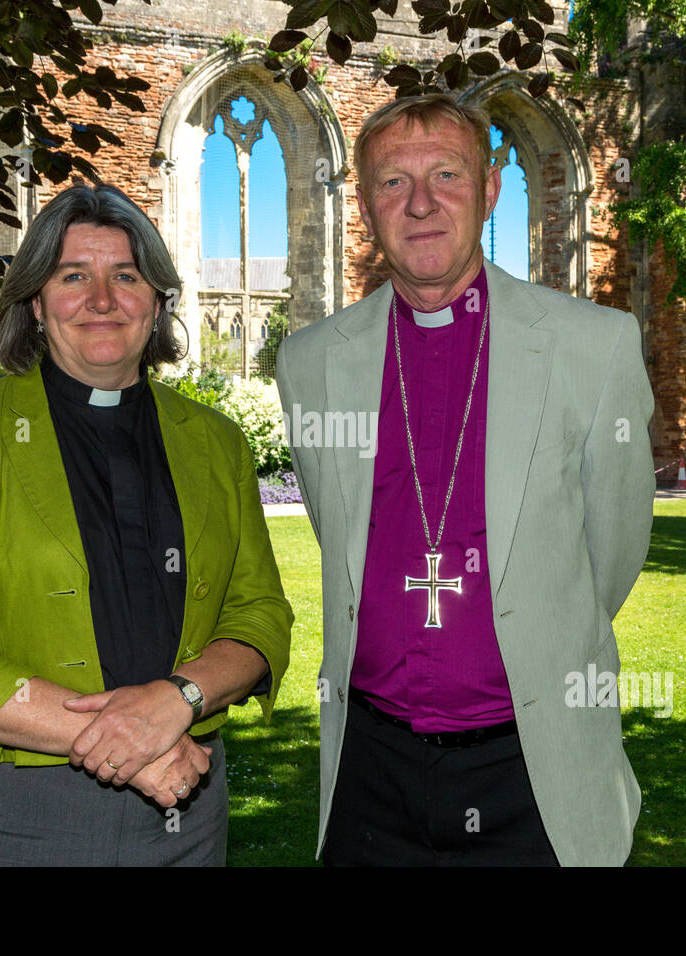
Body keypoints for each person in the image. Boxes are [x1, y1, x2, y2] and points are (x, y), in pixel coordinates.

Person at [275, 94, 654, 866]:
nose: (419, 203)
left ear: (489, 190)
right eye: (391, 182)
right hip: (371, 768)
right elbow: (336, 530)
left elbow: (610, 553)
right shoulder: (311, 361)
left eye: (446, 174)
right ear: (364, 203)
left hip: (531, 765)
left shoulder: (595, 345)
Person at [0, 183, 293, 866]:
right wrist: (132, 742)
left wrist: (180, 698)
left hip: (186, 811)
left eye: (125, 276)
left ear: (157, 300)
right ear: (37, 304)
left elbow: (260, 615)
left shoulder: (215, 442)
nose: (102, 300)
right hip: (10, 818)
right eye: (74, 276)